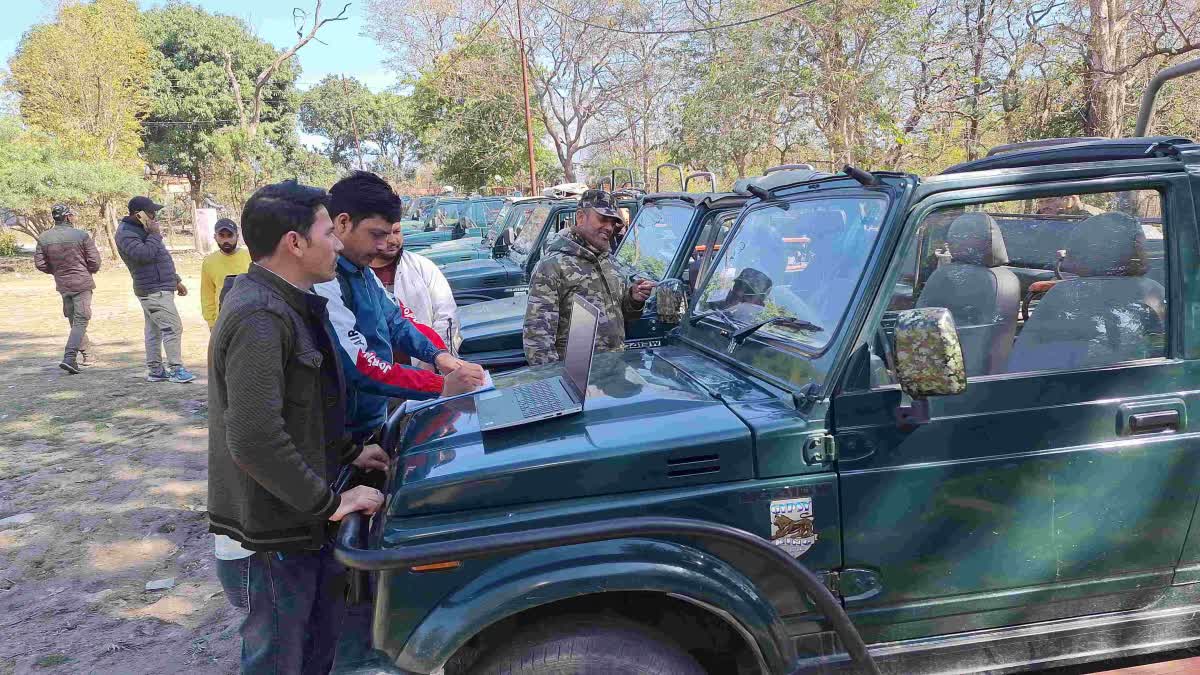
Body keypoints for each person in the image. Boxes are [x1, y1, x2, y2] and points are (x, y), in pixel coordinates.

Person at [207, 180, 389, 675]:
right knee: (280, 662)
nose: (337, 242)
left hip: (296, 527)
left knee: (314, 655)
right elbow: (254, 437)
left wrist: (349, 452)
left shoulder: (289, 302)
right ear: (295, 242)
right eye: (329, 232)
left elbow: (304, 406)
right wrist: (331, 503)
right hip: (270, 538)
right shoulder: (261, 316)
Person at [313, 171, 486, 444]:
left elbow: (397, 320)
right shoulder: (326, 280)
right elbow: (359, 365)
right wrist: (440, 385)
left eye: (390, 233)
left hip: (372, 422)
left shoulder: (362, 272)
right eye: (376, 234)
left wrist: (439, 355)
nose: (384, 245)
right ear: (343, 223)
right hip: (346, 437)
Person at [523, 189, 655, 366]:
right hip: (576, 378)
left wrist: (634, 298)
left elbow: (624, 315)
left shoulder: (611, 263)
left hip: (612, 372)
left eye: (613, 222)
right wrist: (554, 380)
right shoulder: (552, 265)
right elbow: (537, 337)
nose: (609, 227)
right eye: (602, 219)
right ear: (580, 217)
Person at [115, 196, 195, 383]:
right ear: (138, 214)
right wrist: (154, 234)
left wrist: (175, 280)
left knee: (155, 330)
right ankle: (176, 369)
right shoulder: (127, 233)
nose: (154, 216)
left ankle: (156, 371)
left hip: (158, 286)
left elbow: (160, 257)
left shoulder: (142, 229)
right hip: (152, 290)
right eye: (151, 213)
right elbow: (144, 255)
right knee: (172, 327)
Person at [369, 220, 462, 363]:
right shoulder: (357, 276)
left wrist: (433, 359)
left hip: (425, 371)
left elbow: (446, 316)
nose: (393, 240)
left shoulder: (422, 267)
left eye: (397, 231)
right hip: (376, 374)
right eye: (385, 234)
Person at [34, 204, 101, 374]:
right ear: (67, 217)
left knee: (74, 319)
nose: (74, 217)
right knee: (80, 320)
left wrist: (57, 271)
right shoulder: (81, 235)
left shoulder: (44, 237)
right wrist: (87, 271)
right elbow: (95, 262)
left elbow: (40, 264)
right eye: (72, 215)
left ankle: (88, 355)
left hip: (63, 284)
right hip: (82, 283)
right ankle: (69, 357)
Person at [200, 218, 251, 329]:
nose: (226, 240)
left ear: (237, 236)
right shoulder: (209, 262)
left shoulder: (250, 258)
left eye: (229, 235)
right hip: (222, 322)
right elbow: (207, 294)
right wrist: (211, 323)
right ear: (215, 237)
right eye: (222, 236)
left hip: (249, 319)